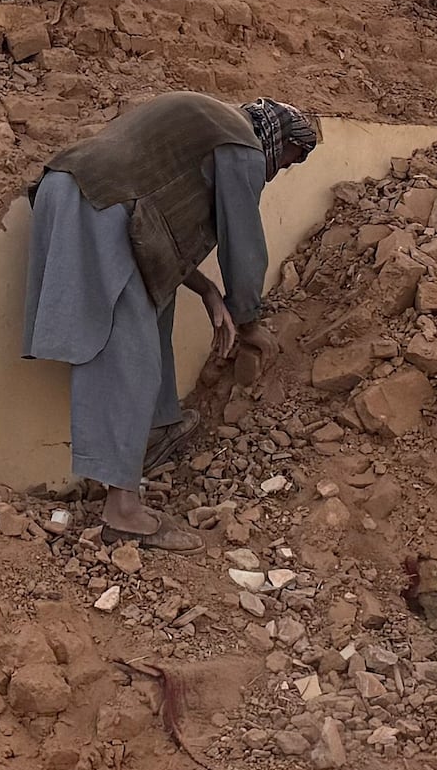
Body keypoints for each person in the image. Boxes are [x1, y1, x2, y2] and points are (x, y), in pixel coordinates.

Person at [23, 93, 323, 547]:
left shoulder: (207, 123)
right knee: (127, 352)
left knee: (153, 302)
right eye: (289, 160)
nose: (279, 170)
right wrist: (248, 323)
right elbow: (243, 244)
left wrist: (206, 290)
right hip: (100, 208)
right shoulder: (244, 144)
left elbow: (157, 226)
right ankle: (123, 512)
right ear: (280, 139)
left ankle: (156, 429)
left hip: (69, 190)